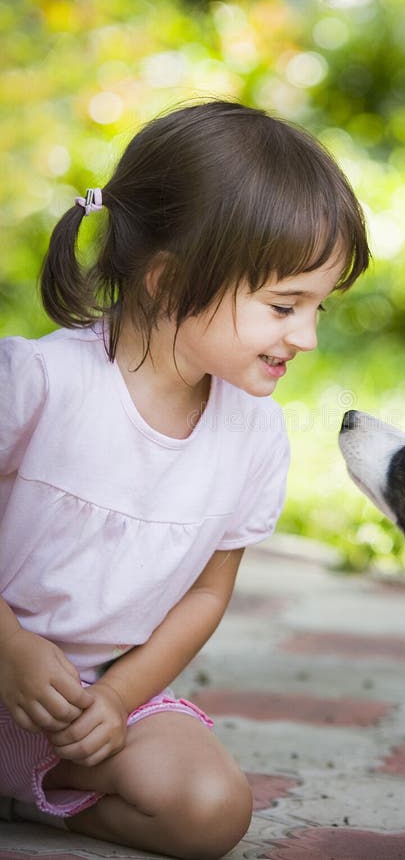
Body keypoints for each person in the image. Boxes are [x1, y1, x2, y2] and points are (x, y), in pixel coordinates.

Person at [0, 100, 369, 859]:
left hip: (84, 704)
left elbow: (206, 593)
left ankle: (46, 799)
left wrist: (116, 698)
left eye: (318, 307)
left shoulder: (255, 435)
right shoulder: (38, 381)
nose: (306, 336)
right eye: (283, 305)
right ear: (169, 283)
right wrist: (9, 645)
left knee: (212, 810)